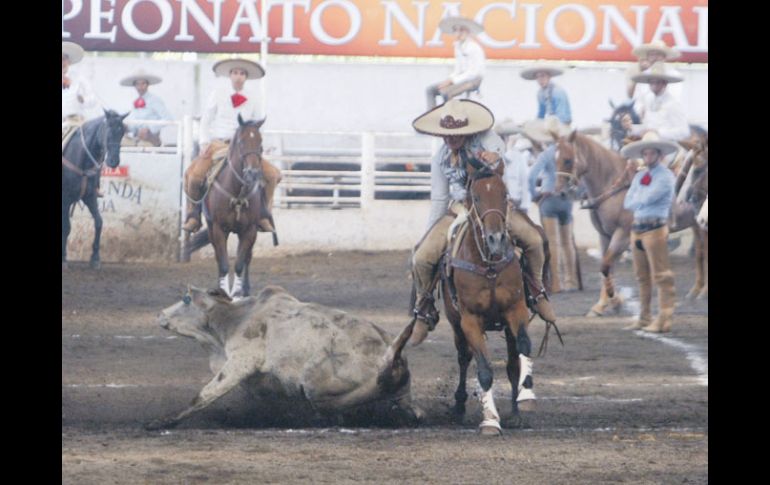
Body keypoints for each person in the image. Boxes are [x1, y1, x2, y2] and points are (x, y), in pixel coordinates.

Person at [409, 99, 557, 344]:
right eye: (446, 134)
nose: (451, 138)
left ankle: (537, 291)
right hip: (459, 209)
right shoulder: (440, 159)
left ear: (466, 130)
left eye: (456, 133)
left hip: (493, 206)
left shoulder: (487, 141)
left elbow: (498, 156)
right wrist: (428, 233)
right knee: (421, 257)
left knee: (534, 239)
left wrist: (494, 158)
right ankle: (424, 310)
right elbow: (439, 198)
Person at [182, 58, 281, 234]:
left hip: (245, 147)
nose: (238, 77)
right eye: (235, 73)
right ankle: (194, 215)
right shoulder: (218, 94)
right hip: (219, 143)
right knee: (195, 176)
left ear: (246, 77)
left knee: (272, 175)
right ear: (230, 75)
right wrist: (204, 142)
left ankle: (264, 214)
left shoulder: (255, 97)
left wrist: (258, 146)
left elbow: (259, 124)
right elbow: (206, 119)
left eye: (242, 73)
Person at [621, 133, 678, 333]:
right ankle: (645, 317)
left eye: (650, 152)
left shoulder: (666, 176)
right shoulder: (640, 176)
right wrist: (640, 197)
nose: (647, 156)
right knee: (642, 276)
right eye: (644, 153)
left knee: (661, 275)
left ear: (658, 154)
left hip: (654, 229)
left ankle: (664, 317)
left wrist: (639, 197)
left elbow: (646, 198)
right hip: (639, 229)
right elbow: (628, 201)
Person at [525, 116, 579, 293]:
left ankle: (557, 283)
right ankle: (572, 281)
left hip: (549, 198)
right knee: (567, 242)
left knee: (553, 243)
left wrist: (535, 195)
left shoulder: (546, 153)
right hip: (566, 199)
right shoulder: (569, 149)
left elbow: (532, 176)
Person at [425, 16, 486, 110]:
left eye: (461, 30)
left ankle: (451, 119)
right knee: (430, 90)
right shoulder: (457, 47)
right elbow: (458, 70)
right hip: (461, 78)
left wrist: (452, 81)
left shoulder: (474, 48)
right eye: (456, 30)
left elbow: (473, 73)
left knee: (446, 93)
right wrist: (449, 79)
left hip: (474, 80)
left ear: (468, 32)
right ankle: (430, 116)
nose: (458, 33)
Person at [626, 40, 682, 115]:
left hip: (668, 118)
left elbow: (675, 100)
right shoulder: (642, 76)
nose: (655, 58)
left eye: (658, 55)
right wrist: (640, 112)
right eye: (652, 55)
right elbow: (637, 101)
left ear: (664, 57)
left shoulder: (673, 75)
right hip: (646, 121)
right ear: (647, 57)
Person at [120, 69, 173, 147]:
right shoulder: (135, 102)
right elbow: (135, 126)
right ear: (134, 86)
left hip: (151, 140)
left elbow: (168, 119)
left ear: (148, 85)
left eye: (143, 84)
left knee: (142, 146)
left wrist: (149, 129)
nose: (140, 87)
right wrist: (127, 127)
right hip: (137, 139)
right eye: (137, 84)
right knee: (119, 143)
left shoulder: (155, 100)